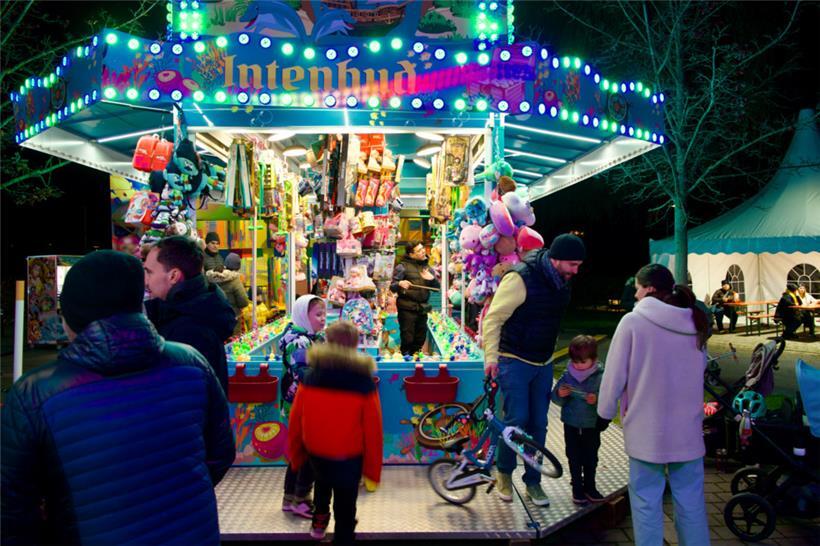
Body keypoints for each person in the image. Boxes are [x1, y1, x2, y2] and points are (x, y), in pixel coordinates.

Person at [1, 250, 235, 545]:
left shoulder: (35, 394)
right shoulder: (191, 364)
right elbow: (220, 452)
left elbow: (12, 508)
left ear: (70, 315)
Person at [598, 264, 711, 546]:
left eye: (637, 288)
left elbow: (614, 375)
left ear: (648, 289)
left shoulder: (633, 322)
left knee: (646, 501)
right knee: (691, 501)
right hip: (688, 430)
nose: (635, 295)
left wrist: (604, 413)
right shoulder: (695, 323)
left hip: (647, 431)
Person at [482, 232, 586, 507]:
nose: (576, 271)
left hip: (543, 361)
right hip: (513, 358)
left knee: (538, 424)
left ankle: (533, 481)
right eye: (572, 265)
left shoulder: (562, 283)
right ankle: (504, 474)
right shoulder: (520, 278)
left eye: (579, 265)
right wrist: (490, 358)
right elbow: (493, 319)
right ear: (556, 260)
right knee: (516, 420)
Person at [288, 320, 383, 543]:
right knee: (346, 500)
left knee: (322, 484)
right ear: (354, 346)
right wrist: (372, 471)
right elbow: (373, 428)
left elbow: (296, 420)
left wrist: (296, 454)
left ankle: (319, 524)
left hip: (316, 450)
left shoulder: (311, 376)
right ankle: (344, 534)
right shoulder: (363, 381)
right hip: (349, 455)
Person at [144, 236, 237, 394]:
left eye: (149, 272)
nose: (146, 281)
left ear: (173, 276)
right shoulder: (199, 309)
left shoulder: (189, 331)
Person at [278, 295, 327, 518]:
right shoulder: (299, 342)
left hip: (306, 400)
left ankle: (290, 498)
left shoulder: (312, 337)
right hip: (302, 402)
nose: (323, 319)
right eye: (318, 315)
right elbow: (304, 372)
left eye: (324, 314)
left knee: (301, 450)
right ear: (302, 316)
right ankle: (302, 498)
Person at [551, 335, 605, 506]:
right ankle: (577, 487)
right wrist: (560, 395)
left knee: (590, 456)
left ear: (594, 360)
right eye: (575, 362)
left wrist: (597, 400)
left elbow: (609, 398)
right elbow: (555, 397)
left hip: (591, 424)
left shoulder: (600, 376)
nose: (578, 366)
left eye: (582, 362)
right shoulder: (568, 375)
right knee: (573, 456)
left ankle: (590, 485)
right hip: (571, 423)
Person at [390, 242, 440, 355]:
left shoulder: (427, 268)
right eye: (419, 250)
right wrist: (399, 284)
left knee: (420, 337)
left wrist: (432, 279)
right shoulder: (402, 267)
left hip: (422, 308)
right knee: (407, 338)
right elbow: (392, 286)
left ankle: (415, 359)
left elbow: (437, 289)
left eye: (423, 248)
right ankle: (406, 360)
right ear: (411, 254)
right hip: (406, 308)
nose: (423, 251)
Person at [206, 252, 250, 336]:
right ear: (237, 267)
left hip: (214, 319)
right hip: (232, 320)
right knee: (232, 345)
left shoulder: (211, 277)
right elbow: (243, 302)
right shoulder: (235, 280)